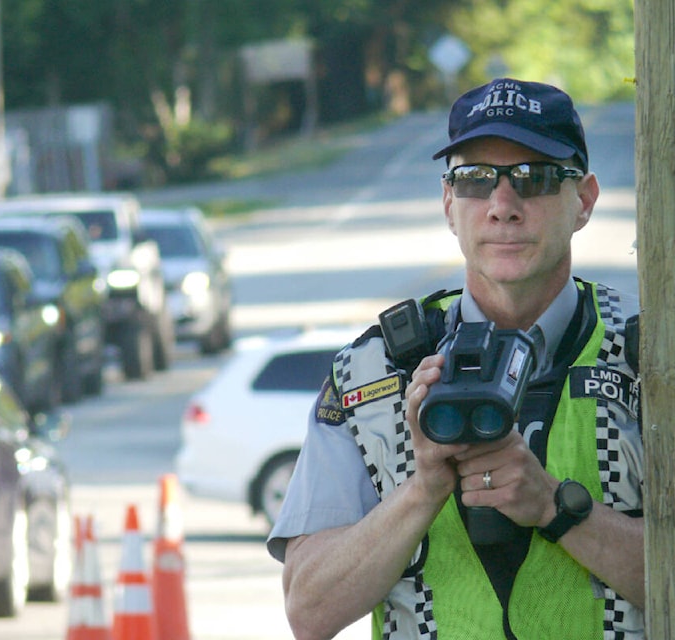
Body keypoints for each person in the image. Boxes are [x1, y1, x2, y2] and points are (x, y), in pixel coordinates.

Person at [267, 78, 645, 639]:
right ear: (449, 203)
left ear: (584, 200)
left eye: (535, 177)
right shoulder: (371, 372)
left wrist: (556, 509)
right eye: (474, 180)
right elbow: (309, 610)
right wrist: (421, 490)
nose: (502, 206)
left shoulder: (651, 357)